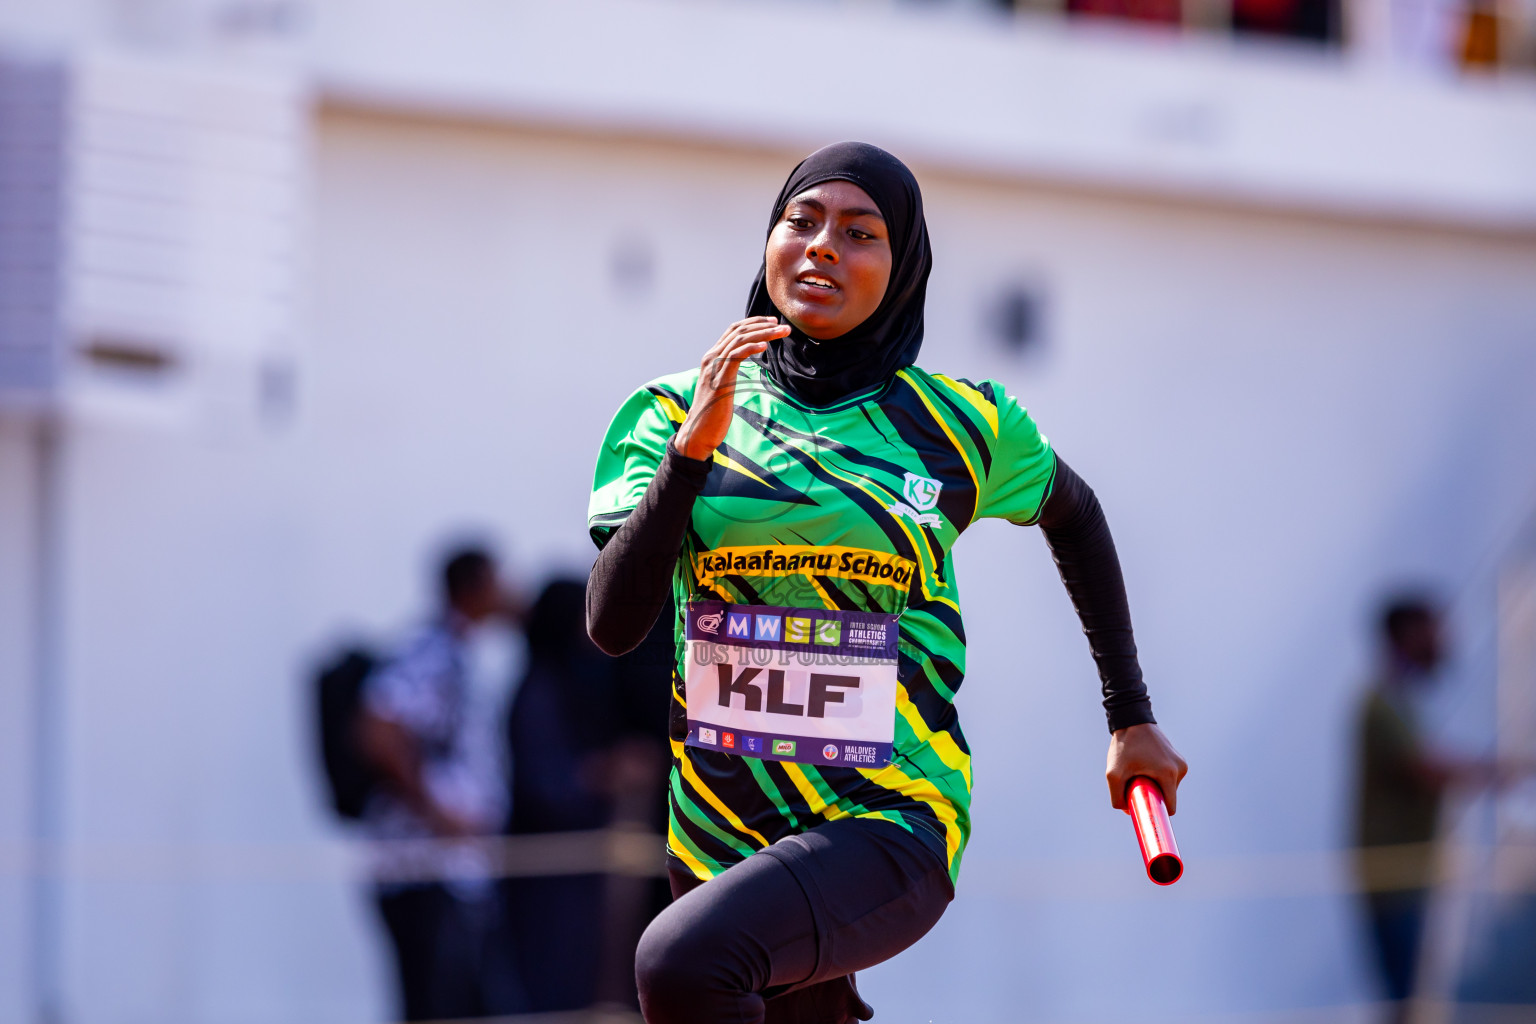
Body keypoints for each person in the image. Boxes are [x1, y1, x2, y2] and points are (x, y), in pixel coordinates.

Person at [584, 142, 1187, 1023]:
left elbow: (1077, 515)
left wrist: (1129, 715)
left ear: (903, 271)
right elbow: (612, 624)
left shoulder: (961, 422)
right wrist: (691, 454)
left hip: (890, 814)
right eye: (802, 221)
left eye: (860, 233)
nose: (823, 246)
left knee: (682, 964)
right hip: (719, 833)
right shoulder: (668, 411)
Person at [357, 546, 524, 1021]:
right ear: (474, 586)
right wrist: (437, 813)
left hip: (453, 871)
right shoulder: (431, 651)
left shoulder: (459, 651)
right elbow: (378, 731)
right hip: (422, 867)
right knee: (434, 1003)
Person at [504, 579, 669, 1011]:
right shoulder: (540, 690)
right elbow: (543, 784)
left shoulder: (576, 682)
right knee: (558, 984)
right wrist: (605, 773)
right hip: (549, 873)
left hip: (581, 873)